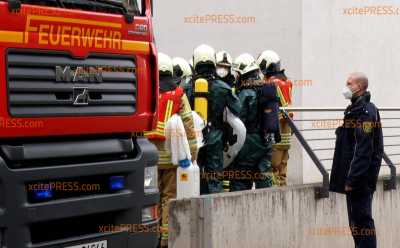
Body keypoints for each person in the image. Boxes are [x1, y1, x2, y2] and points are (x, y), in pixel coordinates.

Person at [145, 53, 198, 248]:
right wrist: (192, 154)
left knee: (151, 197)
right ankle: (165, 240)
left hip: (148, 159)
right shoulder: (178, 94)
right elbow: (189, 125)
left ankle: (150, 238)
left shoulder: (146, 91)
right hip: (172, 157)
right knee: (169, 197)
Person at [330, 72, 383, 248]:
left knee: (363, 223)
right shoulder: (355, 109)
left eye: (349, 83)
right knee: (356, 225)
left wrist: (352, 180)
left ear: (359, 87)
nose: (345, 87)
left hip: (360, 181)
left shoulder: (366, 112)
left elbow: (364, 150)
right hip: (354, 179)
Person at [185, 44, 241, 194]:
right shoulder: (222, 87)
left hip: (194, 139)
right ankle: (214, 213)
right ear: (213, 61)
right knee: (214, 177)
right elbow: (238, 108)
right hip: (215, 137)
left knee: (197, 176)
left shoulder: (187, 88)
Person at [228, 53, 274, 191]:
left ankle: (238, 212)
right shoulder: (265, 89)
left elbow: (237, 119)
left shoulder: (245, 94)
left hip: (248, 143)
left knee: (240, 180)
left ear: (243, 72)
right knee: (264, 180)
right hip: (266, 141)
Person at [257, 50, 293, 186]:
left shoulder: (270, 83)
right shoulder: (286, 82)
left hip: (276, 133)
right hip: (287, 134)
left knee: (272, 170)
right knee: (282, 172)